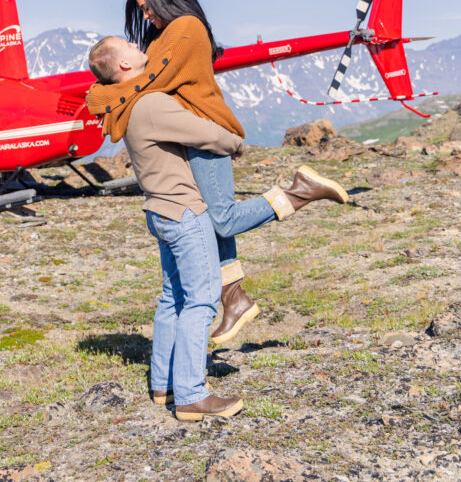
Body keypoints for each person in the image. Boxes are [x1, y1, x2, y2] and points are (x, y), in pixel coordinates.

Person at [87, 36, 350, 420]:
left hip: (159, 211)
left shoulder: (124, 105)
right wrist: (234, 143)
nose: (135, 43)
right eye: (126, 44)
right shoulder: (150, 103)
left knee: (172, 297)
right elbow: (203, 133)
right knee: (202, 300)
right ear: (124, 66)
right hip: (183, 213)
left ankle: (164, 384)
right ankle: (192, 394)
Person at [91, 0, 349, 346]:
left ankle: (299, 191)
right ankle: (235, 299)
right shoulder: (163, 35)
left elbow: (149, 84)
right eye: (141, 10)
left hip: (205, 134)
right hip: (185, 136)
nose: (144, 16)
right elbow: (140, 86)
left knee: (222, 220)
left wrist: (102, 94)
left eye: (147, 7)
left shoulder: (186, 28)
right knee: (209, 221)